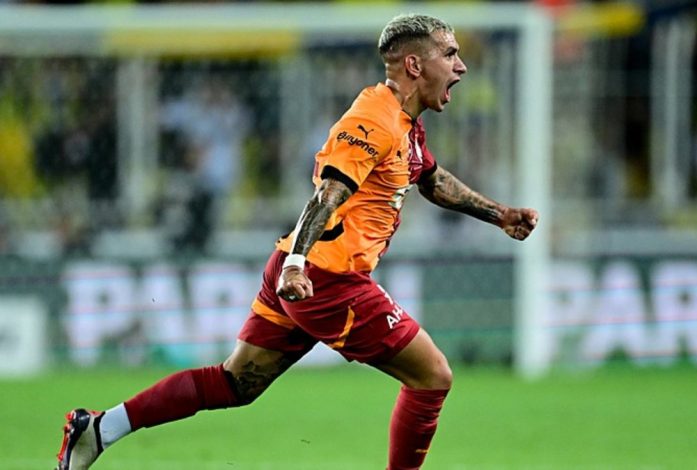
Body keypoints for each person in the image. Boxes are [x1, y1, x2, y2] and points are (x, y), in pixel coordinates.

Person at [56, 13, 539, 470]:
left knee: (235, 383)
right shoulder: (373, 122)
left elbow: (429, 178)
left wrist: (499, 214)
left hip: (302, 269)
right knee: (433, 376)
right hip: (326, 279)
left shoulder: (405, 122)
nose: (461, 66)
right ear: (415, 64)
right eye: (450, 54)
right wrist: (297, 265)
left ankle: (98, 429)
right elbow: (328, 194)